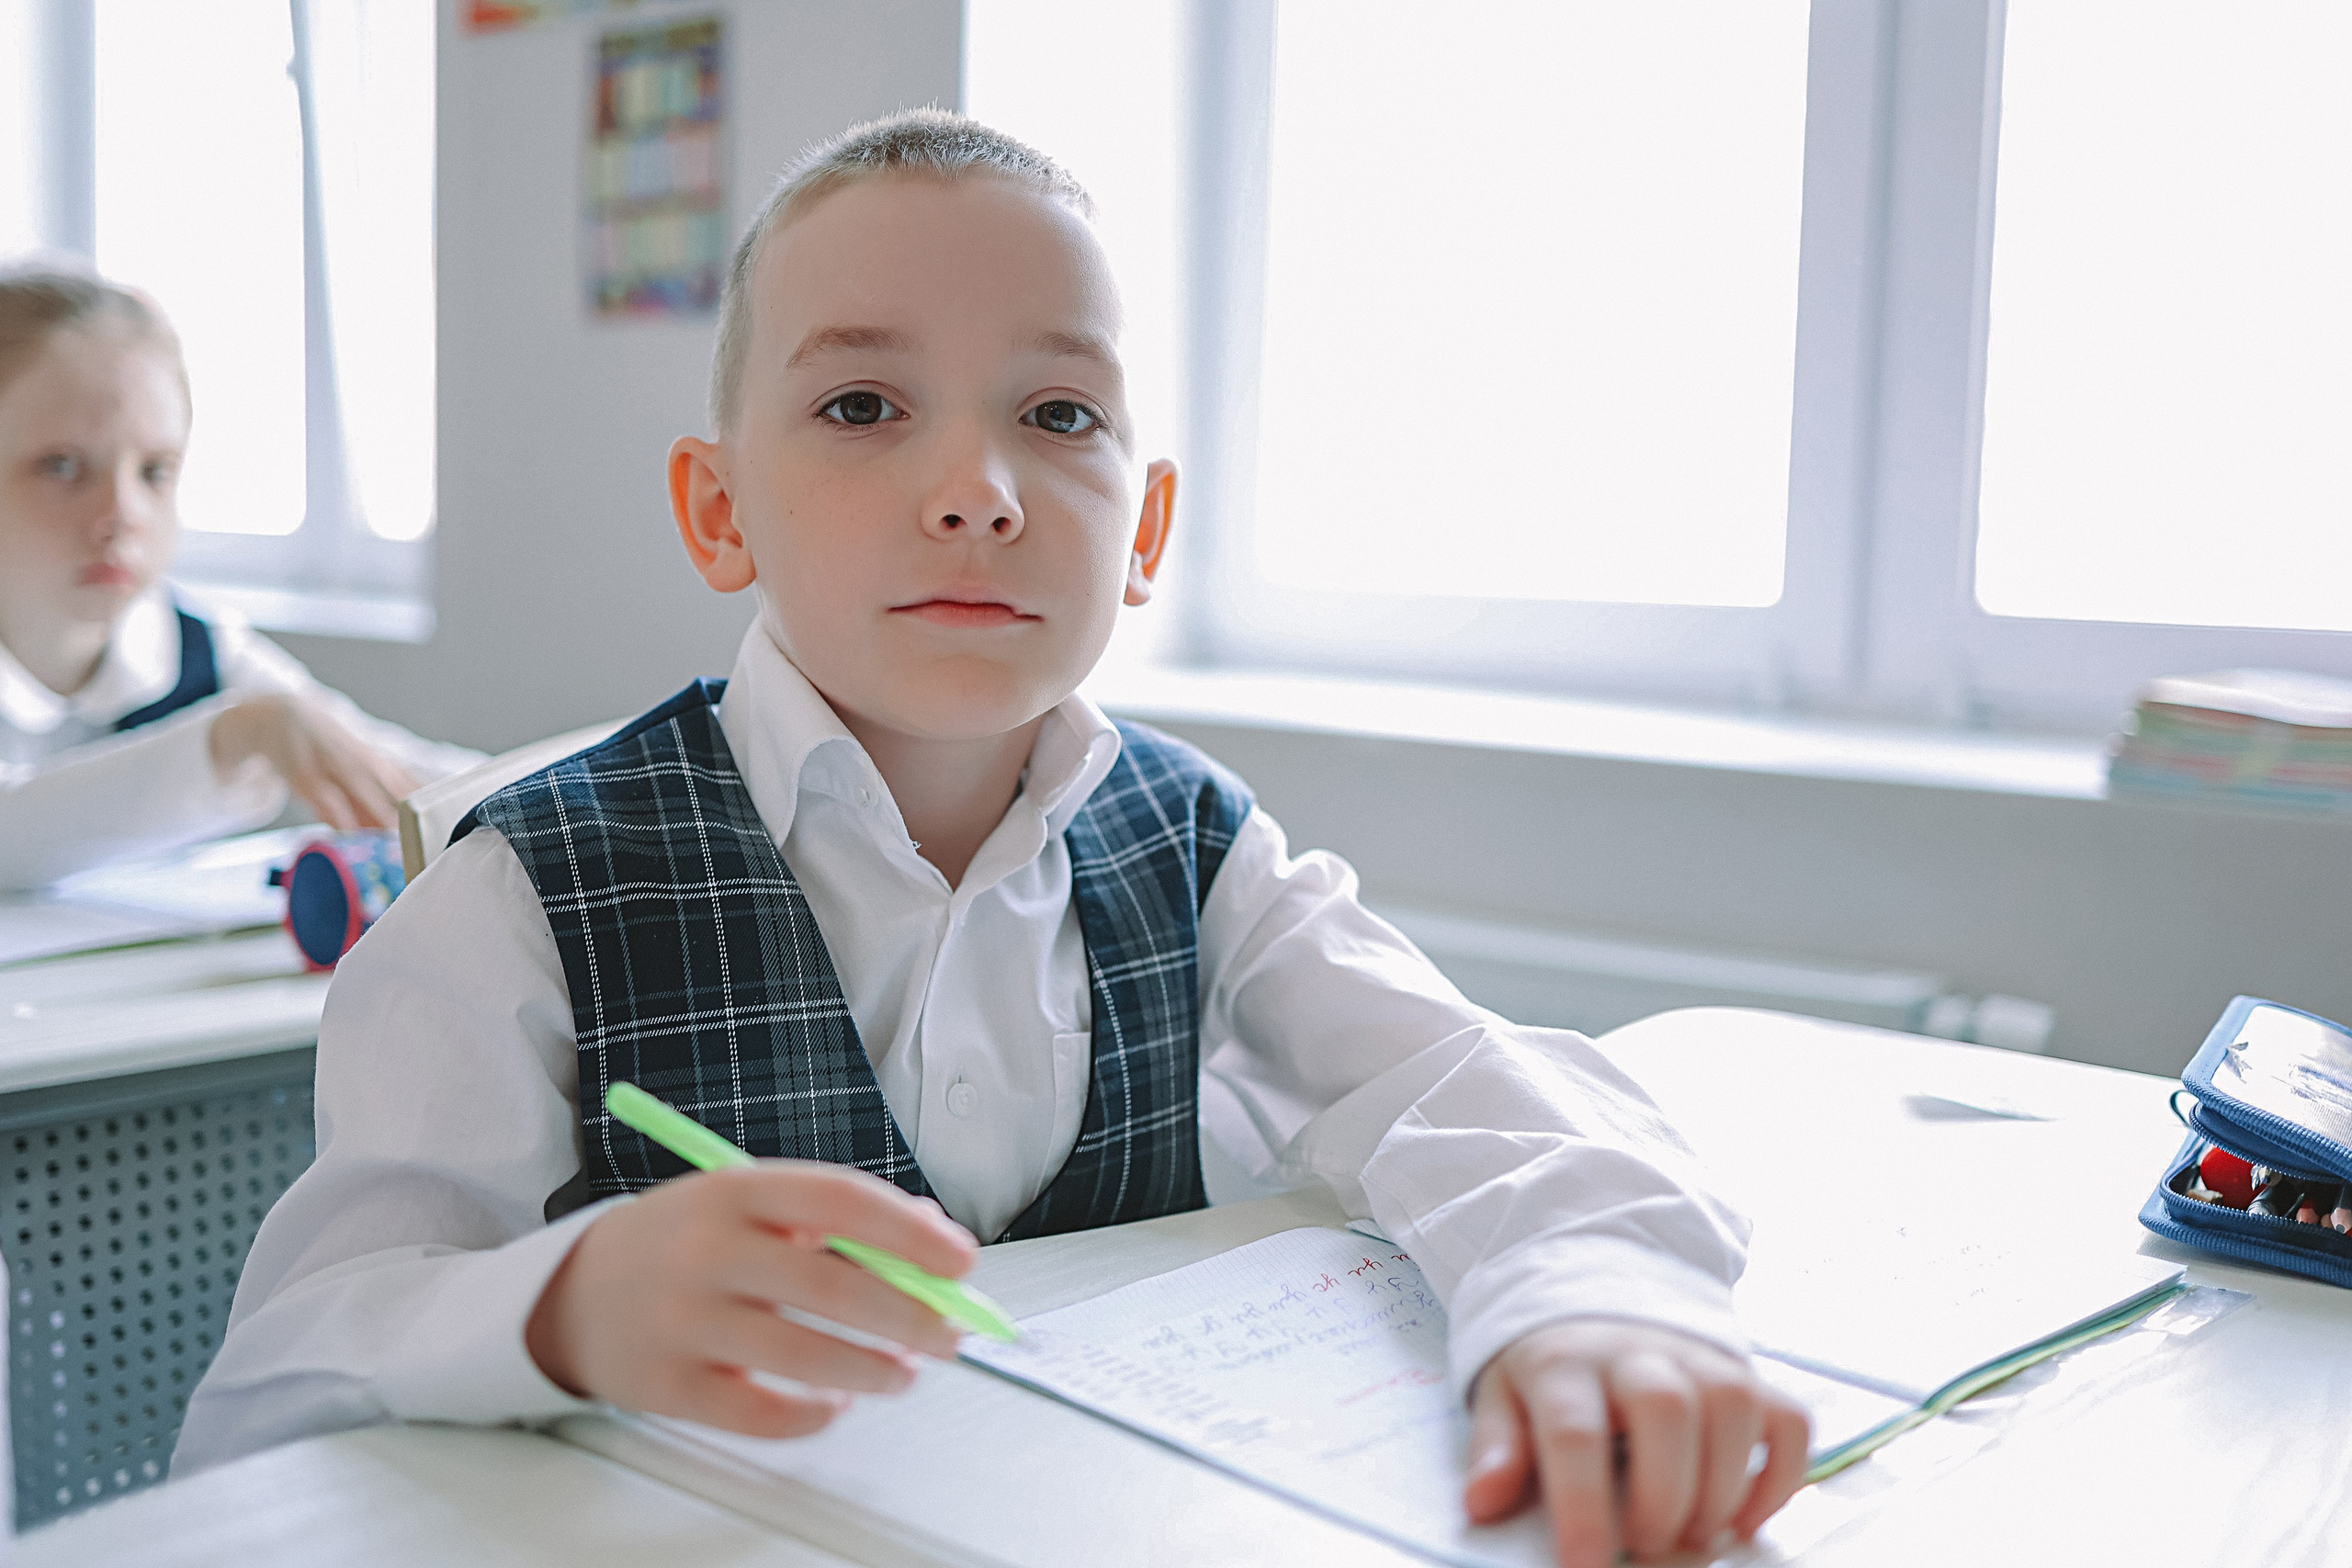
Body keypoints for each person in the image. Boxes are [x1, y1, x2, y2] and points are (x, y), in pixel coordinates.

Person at [177, 113, 1809, 1565]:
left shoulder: (1199, 844)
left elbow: (1468, 1083)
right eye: (866, 402)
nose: (978, 487)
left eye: (1058, 412)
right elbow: (259, 1396)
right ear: (717, 508)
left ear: (1147, 528)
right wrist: (557, 1306)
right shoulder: (515, 890)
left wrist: (1595, 1290)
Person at [0, 265, 479, 891]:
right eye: (62, 466)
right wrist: (231, 738)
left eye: (154, 471)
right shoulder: (240, 707)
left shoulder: (196, 647)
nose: (122, 515)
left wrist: (586, 781)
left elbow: (388, 766)